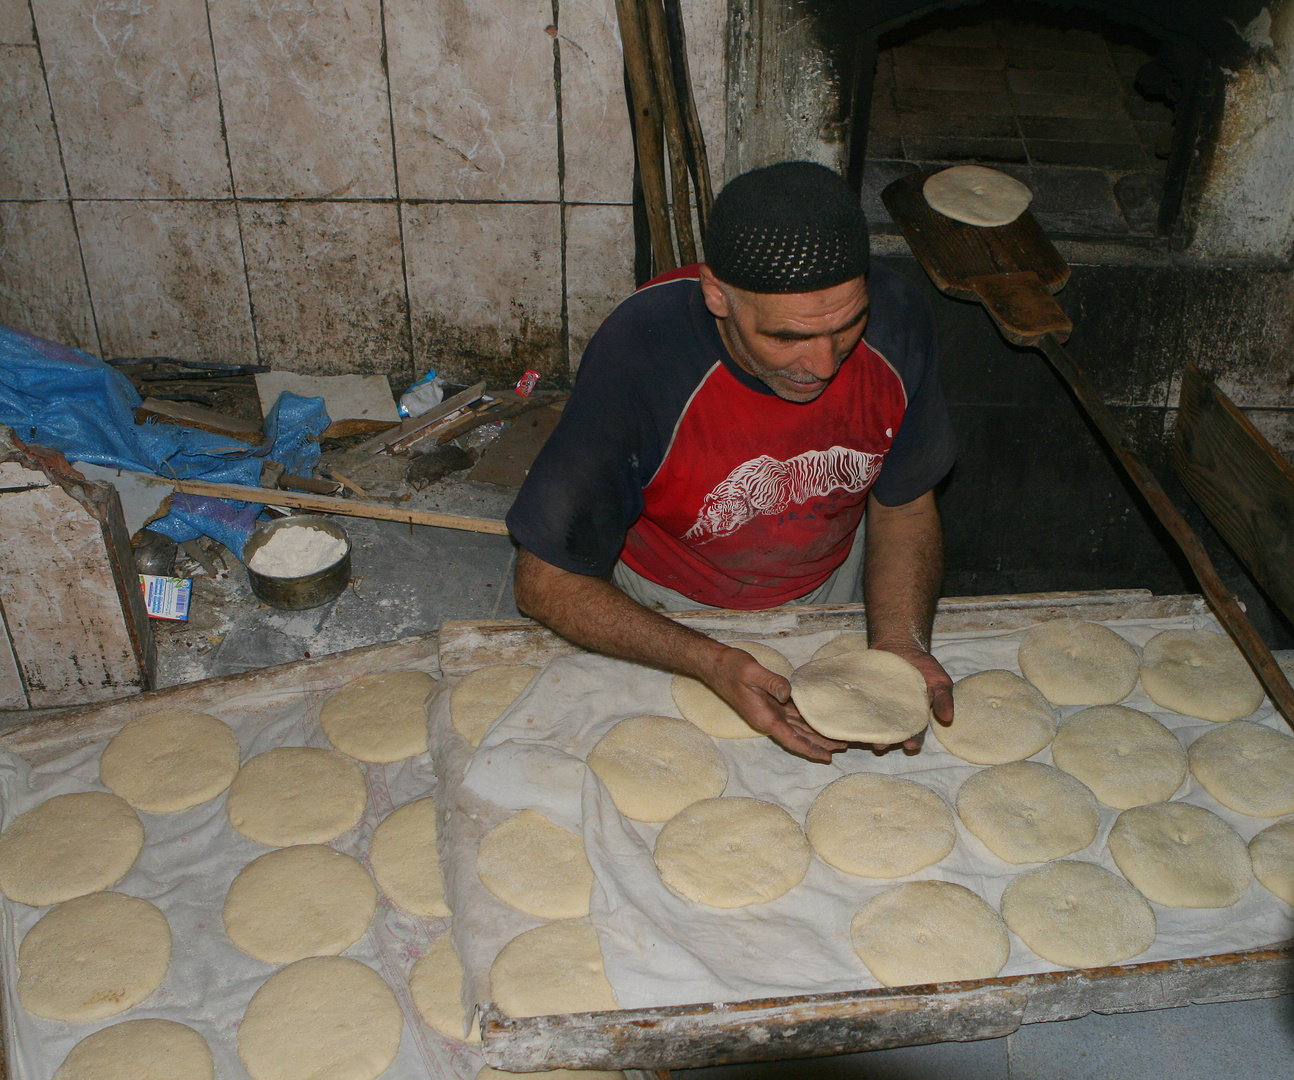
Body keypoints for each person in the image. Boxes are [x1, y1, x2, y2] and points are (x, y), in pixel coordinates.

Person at [506, 161, 956, 762]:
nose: (823, 364)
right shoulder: (642, 357)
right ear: (718, 293)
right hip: (667, 612)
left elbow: (902, 505)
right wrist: (708, 660)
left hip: (835, 591)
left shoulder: (899, 323)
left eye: (847, 325)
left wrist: (898, 641)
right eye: (787, 338)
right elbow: (545, 583)